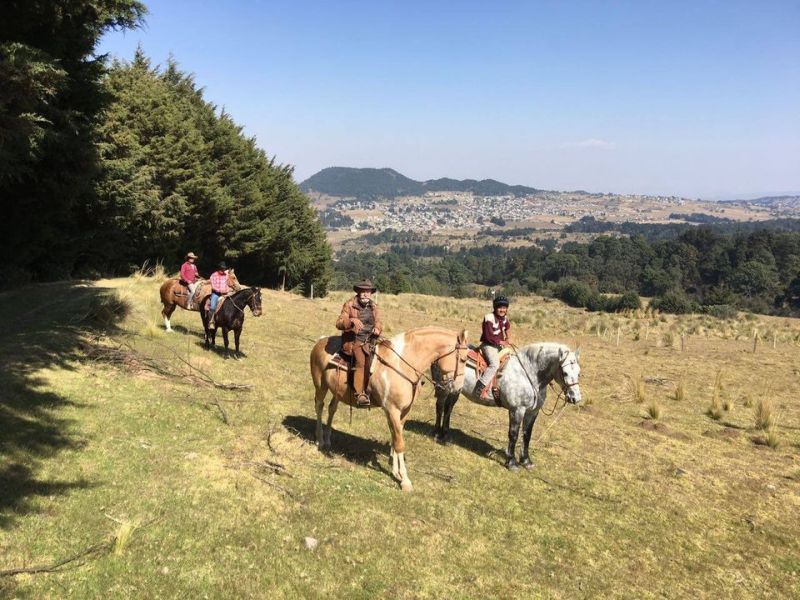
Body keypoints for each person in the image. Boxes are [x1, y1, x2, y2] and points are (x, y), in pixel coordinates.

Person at [336, 279, 383, 407]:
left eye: (368, 291)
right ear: (358, 292)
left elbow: (378, 321)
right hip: (354, 340)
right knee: (361, 362)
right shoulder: (349, 304)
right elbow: (339, 323)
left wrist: (377, 328)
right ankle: (360, 393)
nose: (365, 294)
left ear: (371, 293)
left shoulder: (374, 306)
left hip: (371, 339)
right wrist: (351, 321)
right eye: (363, 291)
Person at [474, 295, 512, 400]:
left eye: (504, 308)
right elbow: (488, 336)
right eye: (500, 307)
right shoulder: (489, 318)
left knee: (509, 359)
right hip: (488, 345)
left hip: (498, 345)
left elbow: (507, 327)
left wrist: (509, 338)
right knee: (494, 364)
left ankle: (498, 386)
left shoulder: (505, 318)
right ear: (495, 308)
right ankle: (480, 387)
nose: (502, 310)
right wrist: (502, 342)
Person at [208, 261, 229, 329]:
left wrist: (227, 290)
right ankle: (211, 322)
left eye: (224, 268)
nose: (223, 270)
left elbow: (228, 284)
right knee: (213, 307)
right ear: (219, 268)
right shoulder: (213, 275)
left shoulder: (226, 275)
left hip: (225, 293)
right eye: (222, 268)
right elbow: (213, 286)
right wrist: (221, 291)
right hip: (216, 294)